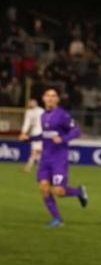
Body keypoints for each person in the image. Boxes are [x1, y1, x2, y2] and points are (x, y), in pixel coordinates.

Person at [19, 88, 88, 227]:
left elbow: (77, 131)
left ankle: (79, 191)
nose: (50, 98)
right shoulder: (43, 116)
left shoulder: (63, 115)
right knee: (44, 188)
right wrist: (29, 138)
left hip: (59, 159)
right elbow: (44, 136)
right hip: (45, 159)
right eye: (48, 96)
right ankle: (57, 219)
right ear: (43, 99)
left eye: (53, 96)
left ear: (57, 99)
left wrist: (63, 138)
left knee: (59, 192)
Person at [19, 98, 44, 172]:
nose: (32, 103)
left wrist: (23, 133)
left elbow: (27, 124)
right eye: (30, 102)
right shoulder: (29, 112)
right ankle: (38, 167)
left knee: (36, 150)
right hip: (35, 132)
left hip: (41, 132)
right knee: (37, 151)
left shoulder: (41, 111)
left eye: (33, 102)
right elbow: (27, 124)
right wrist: (23, 132)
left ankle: (28, 167)